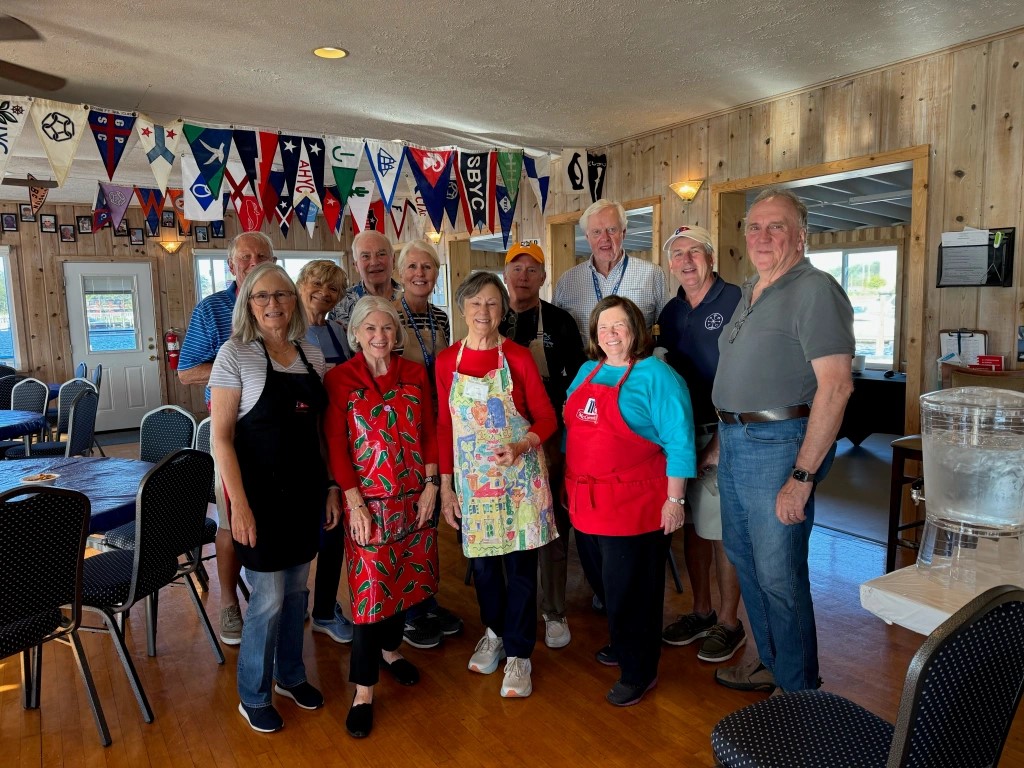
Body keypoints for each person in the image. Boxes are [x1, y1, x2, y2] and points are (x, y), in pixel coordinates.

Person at [713, 188, 854, 695]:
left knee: (779, 576)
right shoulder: (754, 288)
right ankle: (772, 663)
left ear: (801, 235)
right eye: (755, 226)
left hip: (778, 444)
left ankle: (799, 694)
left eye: (777, 226)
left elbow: (836, 387)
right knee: (746, 560)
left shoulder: (815, 289)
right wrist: (719, 441)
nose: (763, 236)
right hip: (735, 441)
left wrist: (802, 477)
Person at [210, 262, 338, 734]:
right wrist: (237, 505)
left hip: (305, 495)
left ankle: (291, 674)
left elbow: (319, 435)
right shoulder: (234, 354)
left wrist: (329, 486)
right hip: (258, 498)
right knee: (266, 599)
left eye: (280, 295)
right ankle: (254, 695)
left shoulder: (310, 354)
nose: (272, 305)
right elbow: (222, 439)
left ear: (294, 300)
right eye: (261, 297)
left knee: (298, 591)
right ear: (248, 303)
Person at [564, 295, 695, 707]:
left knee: (632, 591)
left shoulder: (656, 375)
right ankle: (623, 642)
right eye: (603, 327)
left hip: (634, 504)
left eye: (619, 326)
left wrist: (675, 500)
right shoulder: (588, 370)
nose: (611, 334)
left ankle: (640, 669)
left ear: (635, 329)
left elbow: (679, 440)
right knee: (604, 584)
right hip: (586, 501)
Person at [435, 272, 558, 699]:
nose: (483, 312)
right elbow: (443, 425)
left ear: (502, 310)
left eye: (492, 303)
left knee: (521, 571)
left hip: (520, 479)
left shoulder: (519, 357)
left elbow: (547, 418)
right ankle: (495, 632)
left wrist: (521, 445)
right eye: (475, 303)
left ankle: (521, 653)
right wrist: (446, 488)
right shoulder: (446, 361)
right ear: (462, 308)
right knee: (484, 568)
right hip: (472, 484)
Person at [324, 296, 440, 739]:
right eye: (370, 329)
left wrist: (432, 485)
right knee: (371, 592)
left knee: (405, 578)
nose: (379, 337)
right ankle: (363, 691)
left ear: (397, 334)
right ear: (355, 334)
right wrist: (353, 502)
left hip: (414, 497)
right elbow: (335, 443)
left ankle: (391, 652)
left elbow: (429, 428)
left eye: (387, 329)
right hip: (368, 503)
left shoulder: (412, 373)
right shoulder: (340, 380)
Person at [178, 231, 276, 646]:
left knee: (275, 513)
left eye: (262, 256)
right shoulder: (212, 309)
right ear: (232, 264)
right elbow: (186, 371)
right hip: (229, 431)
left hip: (276, 430)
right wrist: (235, 369)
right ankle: (229, 604)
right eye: (245, 256)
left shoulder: (282, 303)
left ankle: (276, 597)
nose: (253, 262)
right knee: (232, 516)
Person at [656, 225, 746, 663]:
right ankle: (701, 611)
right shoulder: (671, 311)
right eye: (678, 254)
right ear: (669, 263)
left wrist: (725, 440)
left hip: (723, 432)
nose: (686, 261)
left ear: (711, 257)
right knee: (691, 526)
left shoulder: (737, 301)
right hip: (682, 435)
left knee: (722, 532)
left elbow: (751, 376)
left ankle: (730, 622)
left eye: (695, 252)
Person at [499, 241, 584, 649]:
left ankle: (553, 610)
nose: (524, 276)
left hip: (549, 433)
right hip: (499, 437)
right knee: (506, 525)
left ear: (544, 277)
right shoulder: (491, 319)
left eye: (533, 269)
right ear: (506, 274)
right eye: (517, 268)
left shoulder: (560, 321)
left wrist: (556, 434)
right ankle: (509, 611)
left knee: (550, 524)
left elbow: (576, 380)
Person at [391, 239, 464, 649]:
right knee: (407, 520)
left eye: (429, 267)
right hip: (402, 431)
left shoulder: (439, 318)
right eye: (414, 266)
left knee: (428, 519)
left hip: (438, 426)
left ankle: (426, 599)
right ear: (402, 273)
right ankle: (408, 609)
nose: (421, 274)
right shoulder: (390, 317)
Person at [295, 259, 355, 645]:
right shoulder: (286, 331)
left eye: (332, 288)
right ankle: (293, 603)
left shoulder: (338, 332)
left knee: (334, 531)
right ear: (301, 284)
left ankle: (324, 609)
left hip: (337, 441)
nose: (324, 293)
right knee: (300, 532)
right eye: (316, 284)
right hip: (299, 444)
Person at [554, 198, 667, 343]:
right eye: (596, 232)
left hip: (635, 364)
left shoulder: (652, 274)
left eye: (611, 230)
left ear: (623, 233)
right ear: (588, 237)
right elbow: (555, 331)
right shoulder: (567, 281)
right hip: (584, 364)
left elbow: (665, 330)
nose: (604, 238)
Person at [331, 230, 402, 327]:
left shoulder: (408, 297)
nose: (374, 262)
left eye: (381, 254)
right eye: (365, 256)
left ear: (393, 260)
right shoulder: (340, 302)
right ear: (356, 265)